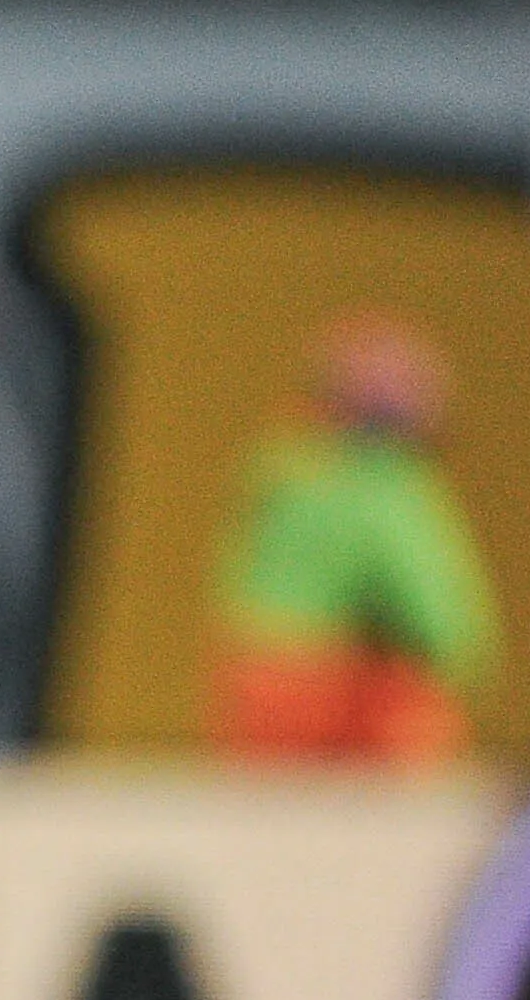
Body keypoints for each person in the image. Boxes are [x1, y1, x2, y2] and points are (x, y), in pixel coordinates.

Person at [208, 311, 497, 764]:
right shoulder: (389, 484)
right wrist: (460, 658)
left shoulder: (278, 464)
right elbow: (432, 601)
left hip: (252, 671)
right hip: (340, 690)